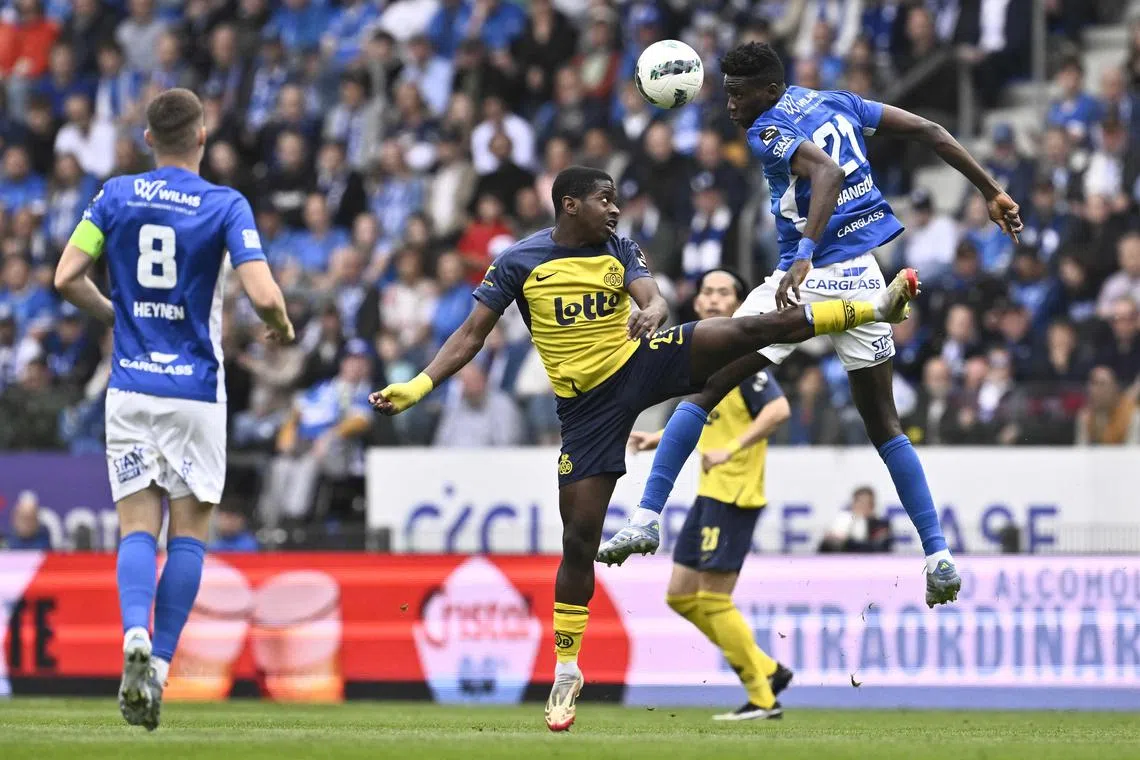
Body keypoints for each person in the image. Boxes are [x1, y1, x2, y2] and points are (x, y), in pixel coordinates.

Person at [369, 165, 918, 731]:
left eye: (617, 199)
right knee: (579, 541)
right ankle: (566, 670)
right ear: (569, 204)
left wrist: (654, 310)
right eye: (604, 200)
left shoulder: (620, 246)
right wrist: (419, 384)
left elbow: (650, 296)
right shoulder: (519, 263)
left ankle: (873, 308)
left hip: (639, 361)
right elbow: (470, 334)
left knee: (742, 329)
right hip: (585, 412)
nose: (614, 209)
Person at [596, 42, 1023, 610]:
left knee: (703, 385)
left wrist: (805, 250)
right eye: (725, 93)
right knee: (885, 424)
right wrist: (990, 189)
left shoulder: (766, 128)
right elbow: (927, 129)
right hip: (866, 275)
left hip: (807, 274)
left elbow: (825, 171)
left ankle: (646, 518)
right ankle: (938, 554)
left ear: (768, 92)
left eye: (738, 94)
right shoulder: (834, 100)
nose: (730, 105)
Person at [52, 88, 294, 731]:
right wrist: (282, 325)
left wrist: (117, 315)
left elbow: (66, 276)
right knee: (189, 533)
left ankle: (133, 633)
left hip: (130, 387)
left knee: (137, 527)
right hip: (194, 392)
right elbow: (263, 291)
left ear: (148, 139)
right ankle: (157, 666)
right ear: (203, 136)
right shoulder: (224, 203)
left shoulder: (114, 195)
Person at [627, 268, 793, 721]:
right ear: (697, 304)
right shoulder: (703, 358)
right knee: (680, 596)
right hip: (710, 492)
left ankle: (763, 697)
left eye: (726, 293)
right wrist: (658, 438)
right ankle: (767, 668)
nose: (716, 299)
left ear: (741, 304)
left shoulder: (744, 355)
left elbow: (779, 409)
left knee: (714, 600)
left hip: (735, 492)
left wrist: (730, 451)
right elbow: (707, 416)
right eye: (708, 292)